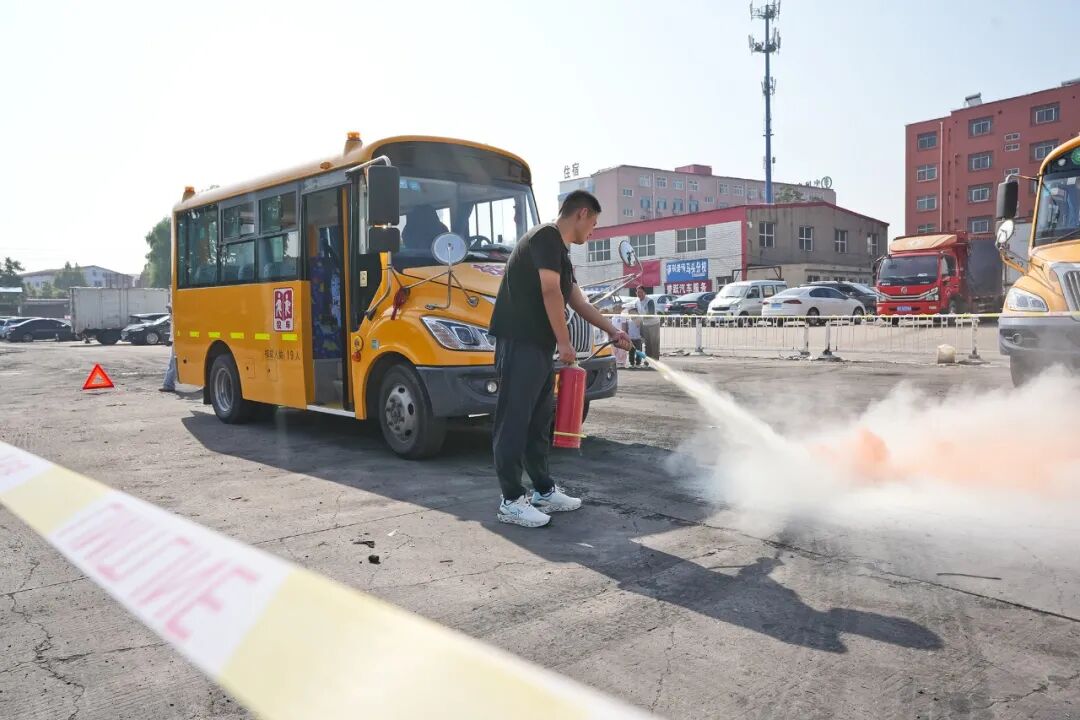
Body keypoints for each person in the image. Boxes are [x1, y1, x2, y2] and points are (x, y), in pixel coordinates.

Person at [488, 190, 632, 528]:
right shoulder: (546, 237)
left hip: (538, 347)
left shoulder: (560, 253)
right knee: (514, 421)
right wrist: (565, 343)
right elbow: (550, 290)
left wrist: (613, 331)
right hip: (520, 342)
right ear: (581, 214)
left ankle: (542, 490)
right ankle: (511, 501)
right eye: (594, 224)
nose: (593, 231)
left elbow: (578, 302)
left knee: (538, 422)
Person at [635, 286, 661, 362]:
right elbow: (637, 313)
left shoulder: (649, 301)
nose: (639, 294)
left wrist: (640, 318)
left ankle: (655, 361)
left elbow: (651, 314)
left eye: (641, 292)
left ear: (645, 293)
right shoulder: (636, 302)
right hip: (645, 324)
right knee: (647, 344)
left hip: (654, 324)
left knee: (654, 343)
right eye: (638, 292)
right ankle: (648, 361)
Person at [160, 304, 177, 393]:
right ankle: (168, 384)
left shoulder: (175, 316)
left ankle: (168, 385)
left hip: (178, 340)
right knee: (173, 363)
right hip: (176, 340)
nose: (168, 310)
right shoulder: (173, 316)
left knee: (173, 363)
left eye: (169, 308)